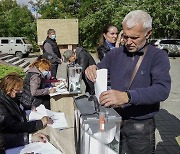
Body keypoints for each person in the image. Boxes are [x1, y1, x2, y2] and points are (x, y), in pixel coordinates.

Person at [85, 10, 171, 154]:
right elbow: (99, 72)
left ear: (148, 33)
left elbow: (162, 90)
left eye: (134, 37)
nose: (128, 42)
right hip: (113, 121)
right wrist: (91, 69)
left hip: (140, 128)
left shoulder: (158, 56)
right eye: (125, 36)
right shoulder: (114, 54)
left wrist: (127, 96)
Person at [0, 73, 53, 149]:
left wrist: (28, 107)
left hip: (21, 133)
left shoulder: (11, 97)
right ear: (9, 90)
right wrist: (39, 123)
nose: (21, 92)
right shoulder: (1, 104)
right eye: (18, 90)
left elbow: (18, 106)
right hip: (14, 141)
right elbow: (12, 126)